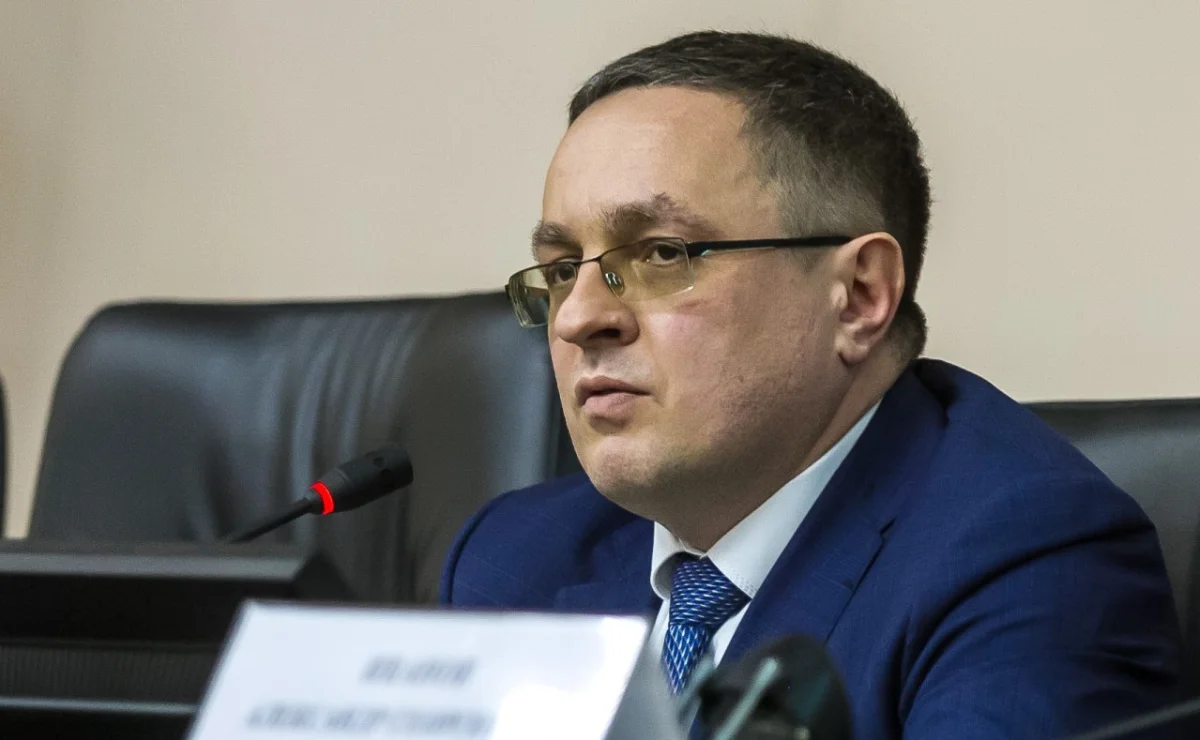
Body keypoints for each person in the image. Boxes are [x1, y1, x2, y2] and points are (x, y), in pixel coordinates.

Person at [440, 31, 1181, 738]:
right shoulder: (513, 558)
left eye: (662, 255)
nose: (578, 318)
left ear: (858, 296)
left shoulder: (1026, 562)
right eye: (562, 269)